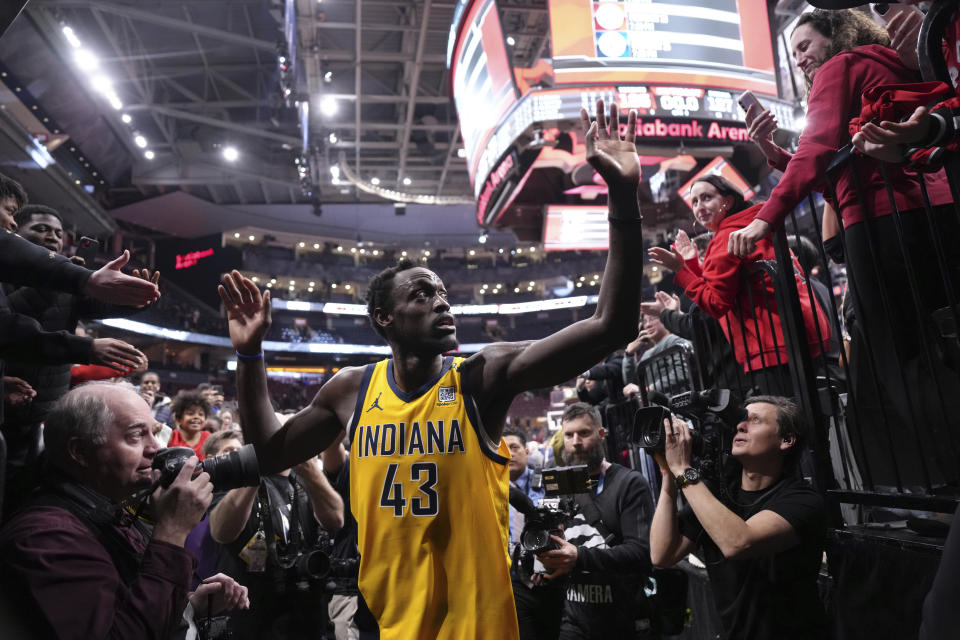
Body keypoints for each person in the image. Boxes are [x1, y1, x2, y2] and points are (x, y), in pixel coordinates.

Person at [217, 99, 646, 640]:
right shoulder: (352, 389)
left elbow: (611, 325)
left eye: (444, 293)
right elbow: (269, 451)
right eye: (423, 294)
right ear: (385, 318)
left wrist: (624, 199)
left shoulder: (481, 376)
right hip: (382, 622)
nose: (443, 303)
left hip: (475, 626)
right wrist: (250, 355)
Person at [733, 8, 960, 486]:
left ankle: (931, 484)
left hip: (883, 223)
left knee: (895, 354)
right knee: (935, 344)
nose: (800, 60)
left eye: (805, 47)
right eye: (793, 53)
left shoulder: (841, 66)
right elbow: (835, 168)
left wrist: (765, 217)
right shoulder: (884, 63)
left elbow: (817, 152)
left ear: (837, 35)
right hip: (931, 213)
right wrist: (775, 153)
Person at [0, 381, 221, 638]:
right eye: (136, 435)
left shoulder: (101, 508)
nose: (157, 448)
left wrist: (188, 606)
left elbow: (126, 605)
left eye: (154, 432)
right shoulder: (47, 538)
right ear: (80, 451)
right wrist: (171, 533)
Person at [2, 204, 152, 501]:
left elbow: (98, 306)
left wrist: (136, 301)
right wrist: (57, 280)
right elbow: (11, 326)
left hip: (46, 413)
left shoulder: (67, 277)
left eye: (58, 232)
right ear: (15, 232)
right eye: (41, 229)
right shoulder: (8, 276)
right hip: (7, 408)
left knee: (34, 491)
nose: (52, 237)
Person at [650, 396, 828, 639]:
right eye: (741, 420)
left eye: (755, 420)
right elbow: (662, 554)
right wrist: (669, 476)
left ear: (786, 440)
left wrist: (683, 469)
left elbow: (738, 542)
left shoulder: (802, 500)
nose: (741, 426)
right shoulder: (717, 496)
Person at [649, 175, 829, 396]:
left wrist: (680, 270)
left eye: (706, 197)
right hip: (799, 336)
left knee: (785, 424)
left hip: (772, 348)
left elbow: (715, 303)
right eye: (694, 202)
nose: (699, 207)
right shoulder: (753, 224)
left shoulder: (727, 236)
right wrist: (691, 265)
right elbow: (720, 285)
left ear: (728, 201)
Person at [538, 403, 654, 639]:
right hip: (573, 620)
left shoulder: (630, 483)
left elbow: (641, 552)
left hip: (624, 618)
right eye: (568, 435)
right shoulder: (557, 485)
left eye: (584, 433)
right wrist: (543, 561)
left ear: (601, 434)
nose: (575, 442)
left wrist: (579, 557)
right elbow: (549, 540)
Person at [208, 448, 344, 640]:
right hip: (251, 621)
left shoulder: (306, 479)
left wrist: (311, 469)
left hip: (305, 621)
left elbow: (335, 520)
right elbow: (221, 531)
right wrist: (254, 470)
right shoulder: (235, 482)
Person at [622, 310, 692, 397]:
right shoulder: (647, 354)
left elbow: (683, 373)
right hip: (659, 405)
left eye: (652, 319)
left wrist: (648, 389)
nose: (648, 325)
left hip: (678, 402)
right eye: (645, 321)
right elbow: (631, 383)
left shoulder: (674, 339)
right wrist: (629, 354)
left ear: (664, 318)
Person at [169, 390, 213, 460]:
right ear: (178, 419)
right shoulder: (171, 437)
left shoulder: (209, 438)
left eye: (201, 414)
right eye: (190, 413)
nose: (196, 417)